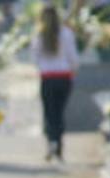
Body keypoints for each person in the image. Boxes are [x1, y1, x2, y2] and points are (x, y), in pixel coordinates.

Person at [31, 4, 78, 162]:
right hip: (64, 76)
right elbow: (73, 57)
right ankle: (58, 145)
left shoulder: (39, 35)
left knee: (49, 113)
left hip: (48, 77)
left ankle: (51, 141)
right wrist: (73, 70)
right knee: (59, 113)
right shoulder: (66, 33)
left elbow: (35, 59)